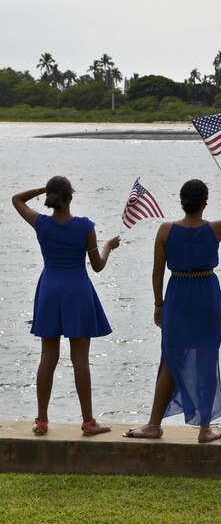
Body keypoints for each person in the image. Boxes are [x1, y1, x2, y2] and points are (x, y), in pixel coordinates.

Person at [124, 180, 221, 443]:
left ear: (182, 201)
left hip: (177, 294)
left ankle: (153, 424)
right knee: (206, 357)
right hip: (206, 295)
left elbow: (157, 272)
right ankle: (205, 429)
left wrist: (158, 305)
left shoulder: (165, 230)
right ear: (204, 203)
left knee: (171, 358)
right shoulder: (215, 228)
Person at [12, 176, 120, 436]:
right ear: (70, 197)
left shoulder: (42, 224)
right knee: (80, 358)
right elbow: (97, 266)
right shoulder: (85, 227)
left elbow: (16, 199)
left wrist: (41, 189)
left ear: (50, 197)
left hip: (50, 289)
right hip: (77, 291)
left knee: (48, 357)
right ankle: (88, 422)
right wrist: (107, 247)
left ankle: (41, 421)